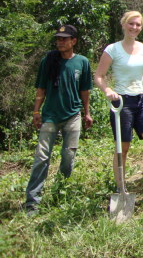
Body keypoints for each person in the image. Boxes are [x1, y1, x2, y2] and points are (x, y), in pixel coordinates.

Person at [95, 11, 143, 197]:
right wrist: (107, 91)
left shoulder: (142, 48)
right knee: (123, 147)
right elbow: (99, 76)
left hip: (141, 101)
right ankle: (121, 188)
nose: (134, 27)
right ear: (123, 24)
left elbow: (139, 76)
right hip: (122, 103)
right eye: (131, 24)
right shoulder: (112, 49)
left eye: (138, 25)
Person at [24, 25, 93, 215]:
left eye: (65, 38)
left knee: (69, 156)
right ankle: (32, 202)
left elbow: (84, 91)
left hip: (73, 115)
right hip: (50, 116)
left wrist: (87, 113)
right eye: (58, 39)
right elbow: (40, 89)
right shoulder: (49, 61)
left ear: (74, 41)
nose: (60, 42)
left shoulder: (82, 62)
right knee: (41, 157)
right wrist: (36, 112)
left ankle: (60, 193)